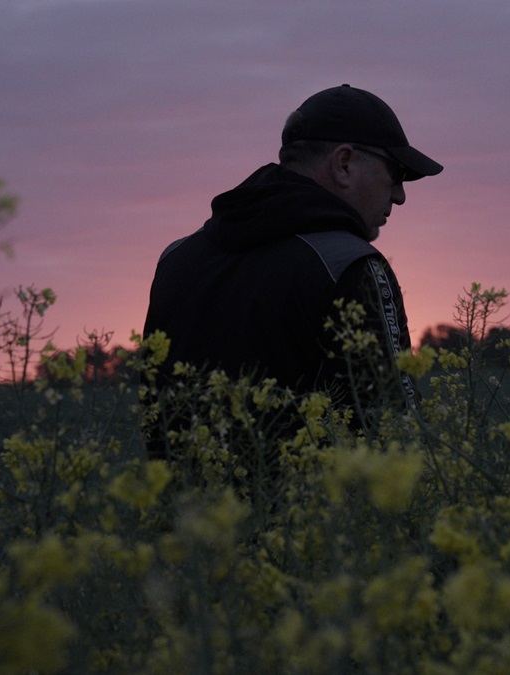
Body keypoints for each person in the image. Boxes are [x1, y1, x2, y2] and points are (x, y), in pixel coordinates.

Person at [142, 84, 442, 470]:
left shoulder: (176, 259)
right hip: (314, 523)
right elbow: (394, 433)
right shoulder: (349, 264)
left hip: (187, 524)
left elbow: (156, 424)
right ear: (344, 163)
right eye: (396, 172)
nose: (399, 195)